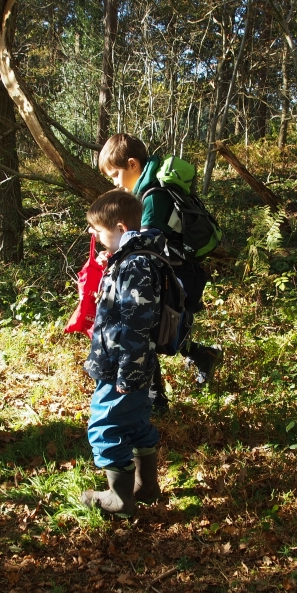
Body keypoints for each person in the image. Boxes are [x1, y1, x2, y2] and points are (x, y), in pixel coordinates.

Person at [98, 133, 222, 413]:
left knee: (151, 333)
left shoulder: (151, 197)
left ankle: (156, 400)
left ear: (132, 164)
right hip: (174, 272)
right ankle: (204, 355)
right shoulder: (147, 188)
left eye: (116, 174)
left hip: (174, 275)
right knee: (162, 331)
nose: (115, 182)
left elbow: (144, 246)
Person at [80, 190, 164, 516]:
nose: (94, 235)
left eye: (99, 231)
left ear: (119, 226)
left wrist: (127, 373)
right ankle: (146, 488)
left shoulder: (136, 266)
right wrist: (112, 262)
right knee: (136, 422)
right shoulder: (132, 259)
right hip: (132, 365)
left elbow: (136, 326)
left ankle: (120, 500)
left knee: (105, 426)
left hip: (123, 366)